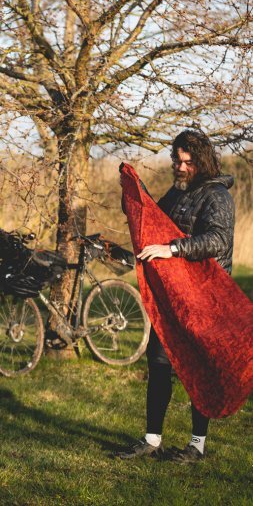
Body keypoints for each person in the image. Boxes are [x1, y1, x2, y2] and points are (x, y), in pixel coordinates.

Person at [117, 129, 235, 463]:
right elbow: (154, 218)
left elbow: (217, 241)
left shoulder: (217, 196)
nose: (181, 168)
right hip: (174, 298)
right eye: (177, 161)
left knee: (198, 370)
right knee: (158, 363)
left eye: (188, 162)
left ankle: (197, 446)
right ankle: (152, 440)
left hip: (205, 300)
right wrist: (133, 196)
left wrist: (172, 249)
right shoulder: (179, 191)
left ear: (203, 161)